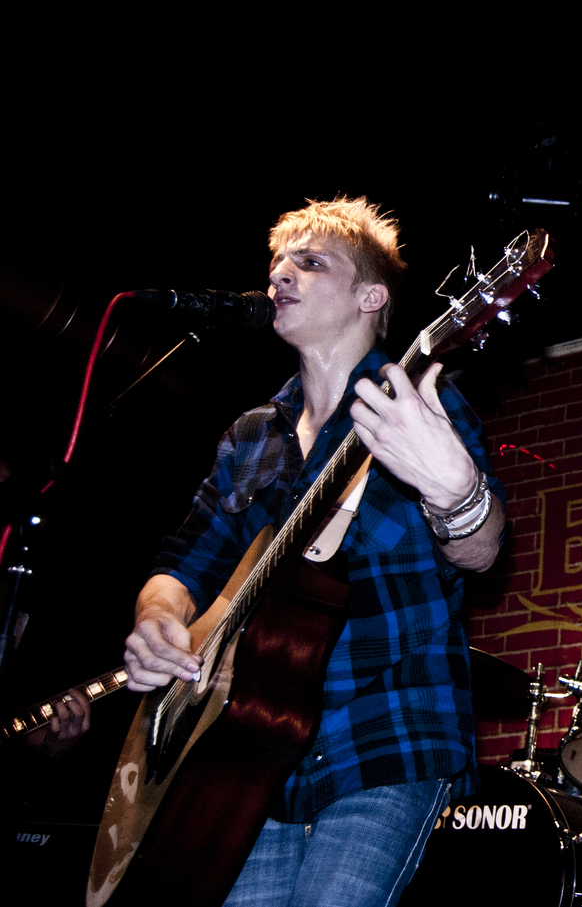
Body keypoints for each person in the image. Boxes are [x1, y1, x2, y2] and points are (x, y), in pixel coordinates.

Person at [121, 197, 505, 906]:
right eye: (276, 264)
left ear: (370, 296)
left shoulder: (417, 404)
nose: (279, 275)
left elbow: (480, 552)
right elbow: (183, 564)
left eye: (310, 262)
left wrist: (458, 493)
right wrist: (158, 617)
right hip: (244, 752)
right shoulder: (251, 435)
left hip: (387, 731)